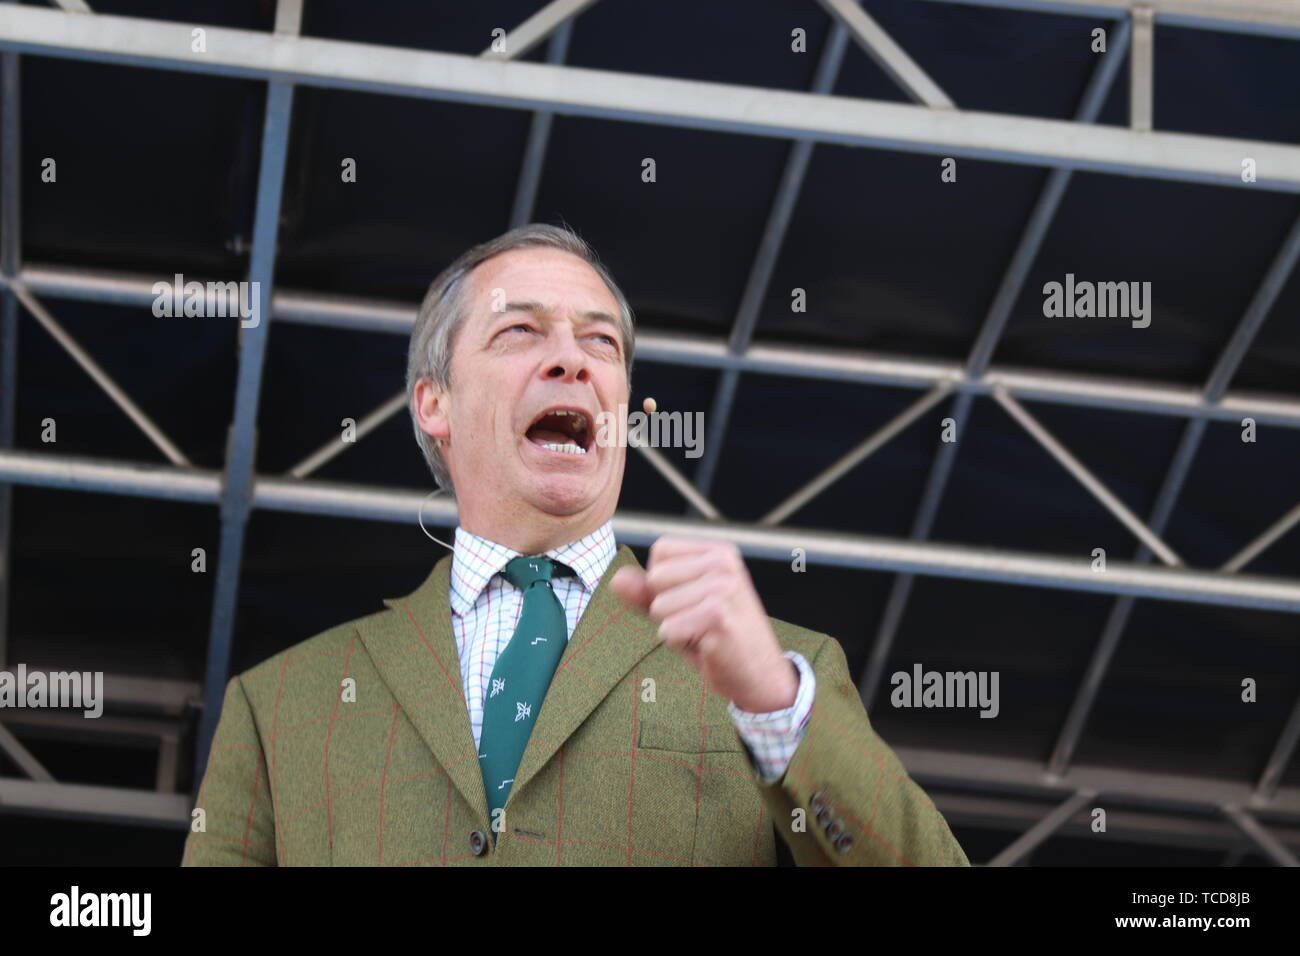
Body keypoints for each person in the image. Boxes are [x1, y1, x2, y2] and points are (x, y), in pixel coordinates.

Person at [182, 223, 969, 866]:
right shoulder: (280, 704)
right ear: (434, 402)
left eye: (601, 343)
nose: (571, 360)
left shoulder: (778, 674)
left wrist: (771, 707)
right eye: (520, 330)